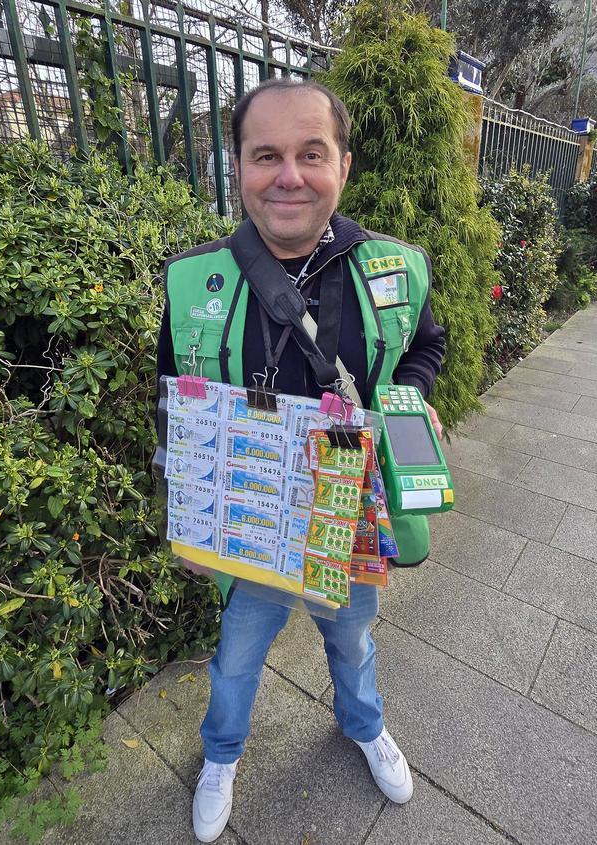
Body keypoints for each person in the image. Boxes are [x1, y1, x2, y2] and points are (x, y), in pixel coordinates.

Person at [156, 78, 446, 843]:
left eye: (310, 154)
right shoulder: (194, 281)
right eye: (267, 155)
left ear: (342, 166)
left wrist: (414, 396)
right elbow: (180, 405)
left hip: (345, 512)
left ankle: (365, 726)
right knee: (235, 659)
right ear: (240, 166)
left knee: (351, 640)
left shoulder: (394, 269)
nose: (289, 175)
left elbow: (425, 347)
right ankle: (220, 755)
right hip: (252, 521)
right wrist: (191, 521)